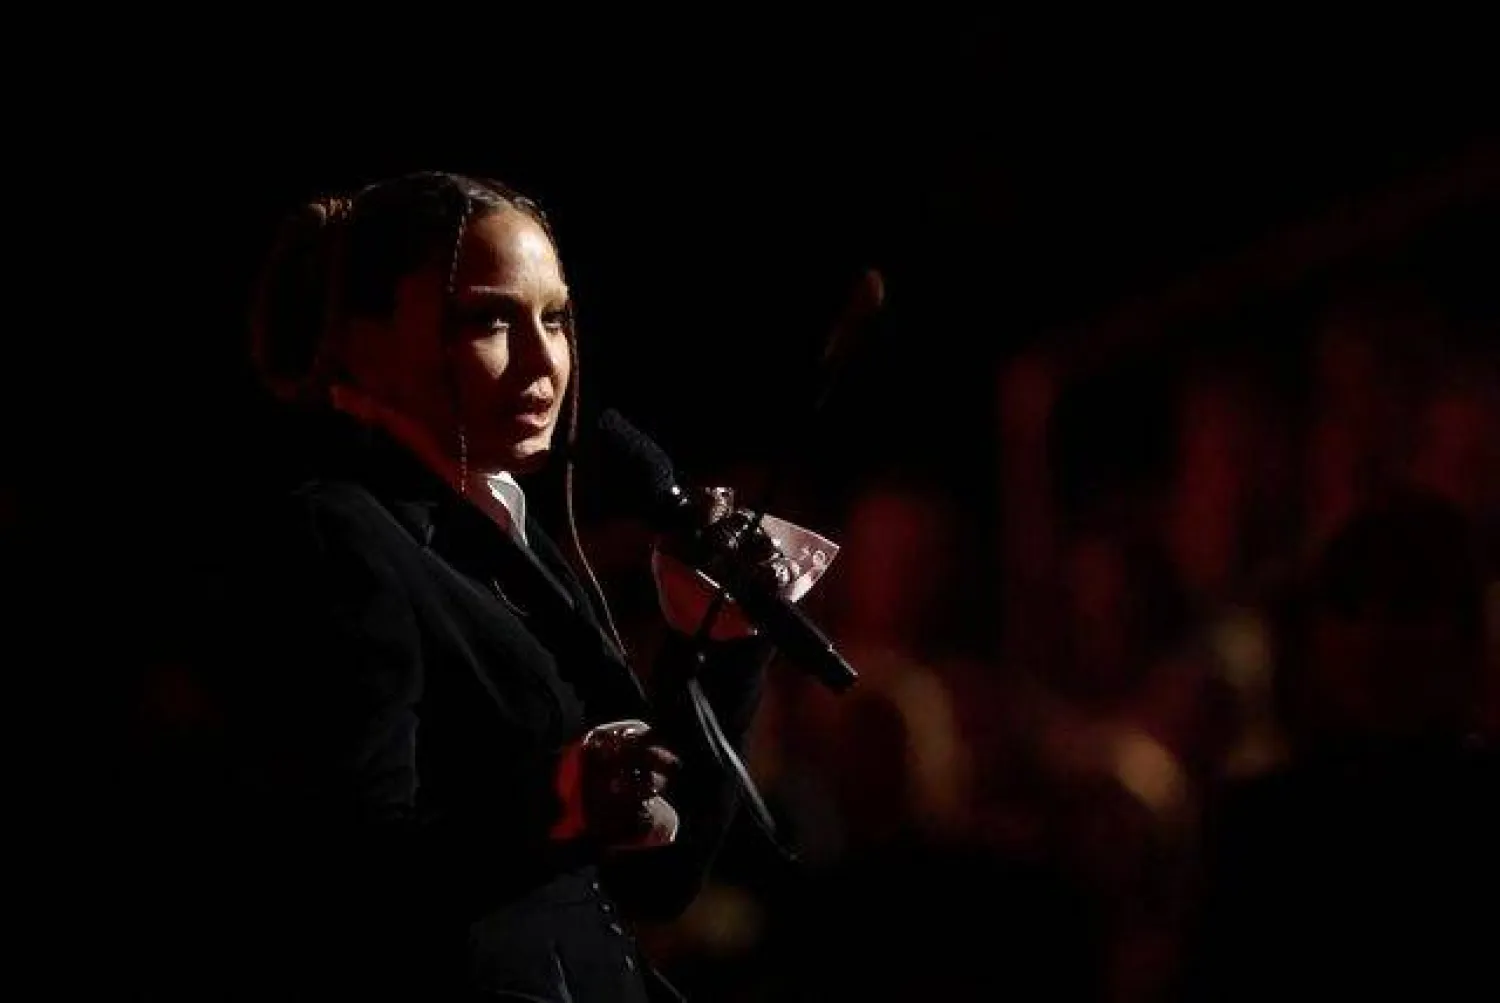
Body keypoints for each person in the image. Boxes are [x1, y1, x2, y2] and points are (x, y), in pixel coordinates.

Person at [158, 171, 791, 1001]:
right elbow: (335, 883)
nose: (542, 361)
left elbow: (655, 881)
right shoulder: (338, 537)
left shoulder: (503, 526)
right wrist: (557, 797)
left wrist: (721, 640)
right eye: (490, 318)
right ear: (362, 335)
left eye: (556, 318)